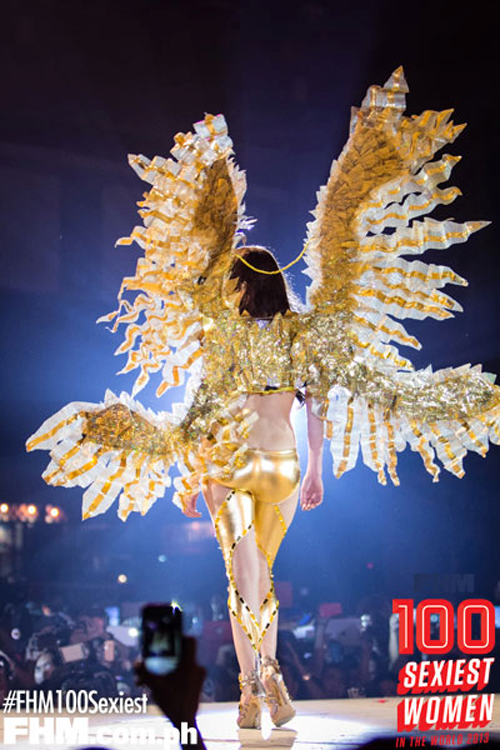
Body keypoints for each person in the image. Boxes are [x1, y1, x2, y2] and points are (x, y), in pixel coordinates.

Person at [181, 247, 325, 727]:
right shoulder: (299, 332)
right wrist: (315, 468)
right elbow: (317, 404)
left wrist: (191, 474)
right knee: (257, 576)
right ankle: (268, 679)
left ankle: (253, 687)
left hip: (234, 461)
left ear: (241, 283)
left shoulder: (225, 331)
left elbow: (204, 405)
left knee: (246, 577)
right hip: (280, 463)